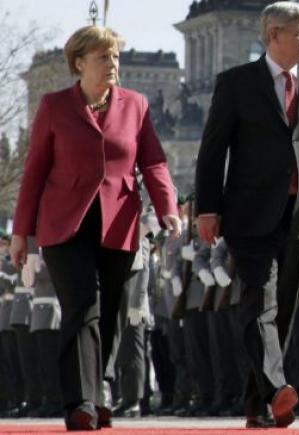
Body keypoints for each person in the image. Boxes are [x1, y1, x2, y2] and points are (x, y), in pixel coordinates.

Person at [194, 2, 299, 428]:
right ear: (273, 35)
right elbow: (214, 149)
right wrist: (207, 208)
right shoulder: (236, 83)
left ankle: (261, 403)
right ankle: (276, 388)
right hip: (249, 214)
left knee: (283, 310)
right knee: (259, 304)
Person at [9, 25, 180, 431]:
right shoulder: (54, 106)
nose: (113, 64)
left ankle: (99, 386)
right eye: (104, 57)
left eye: (117, 57)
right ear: (79, 63)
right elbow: (34, 172)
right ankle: (81, 402)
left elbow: (153, 161)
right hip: (65, 225)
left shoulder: (136, 105)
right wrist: (21, 232)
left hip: (118, 222)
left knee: (112, 312)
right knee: (82, 307)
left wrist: (167, 207)